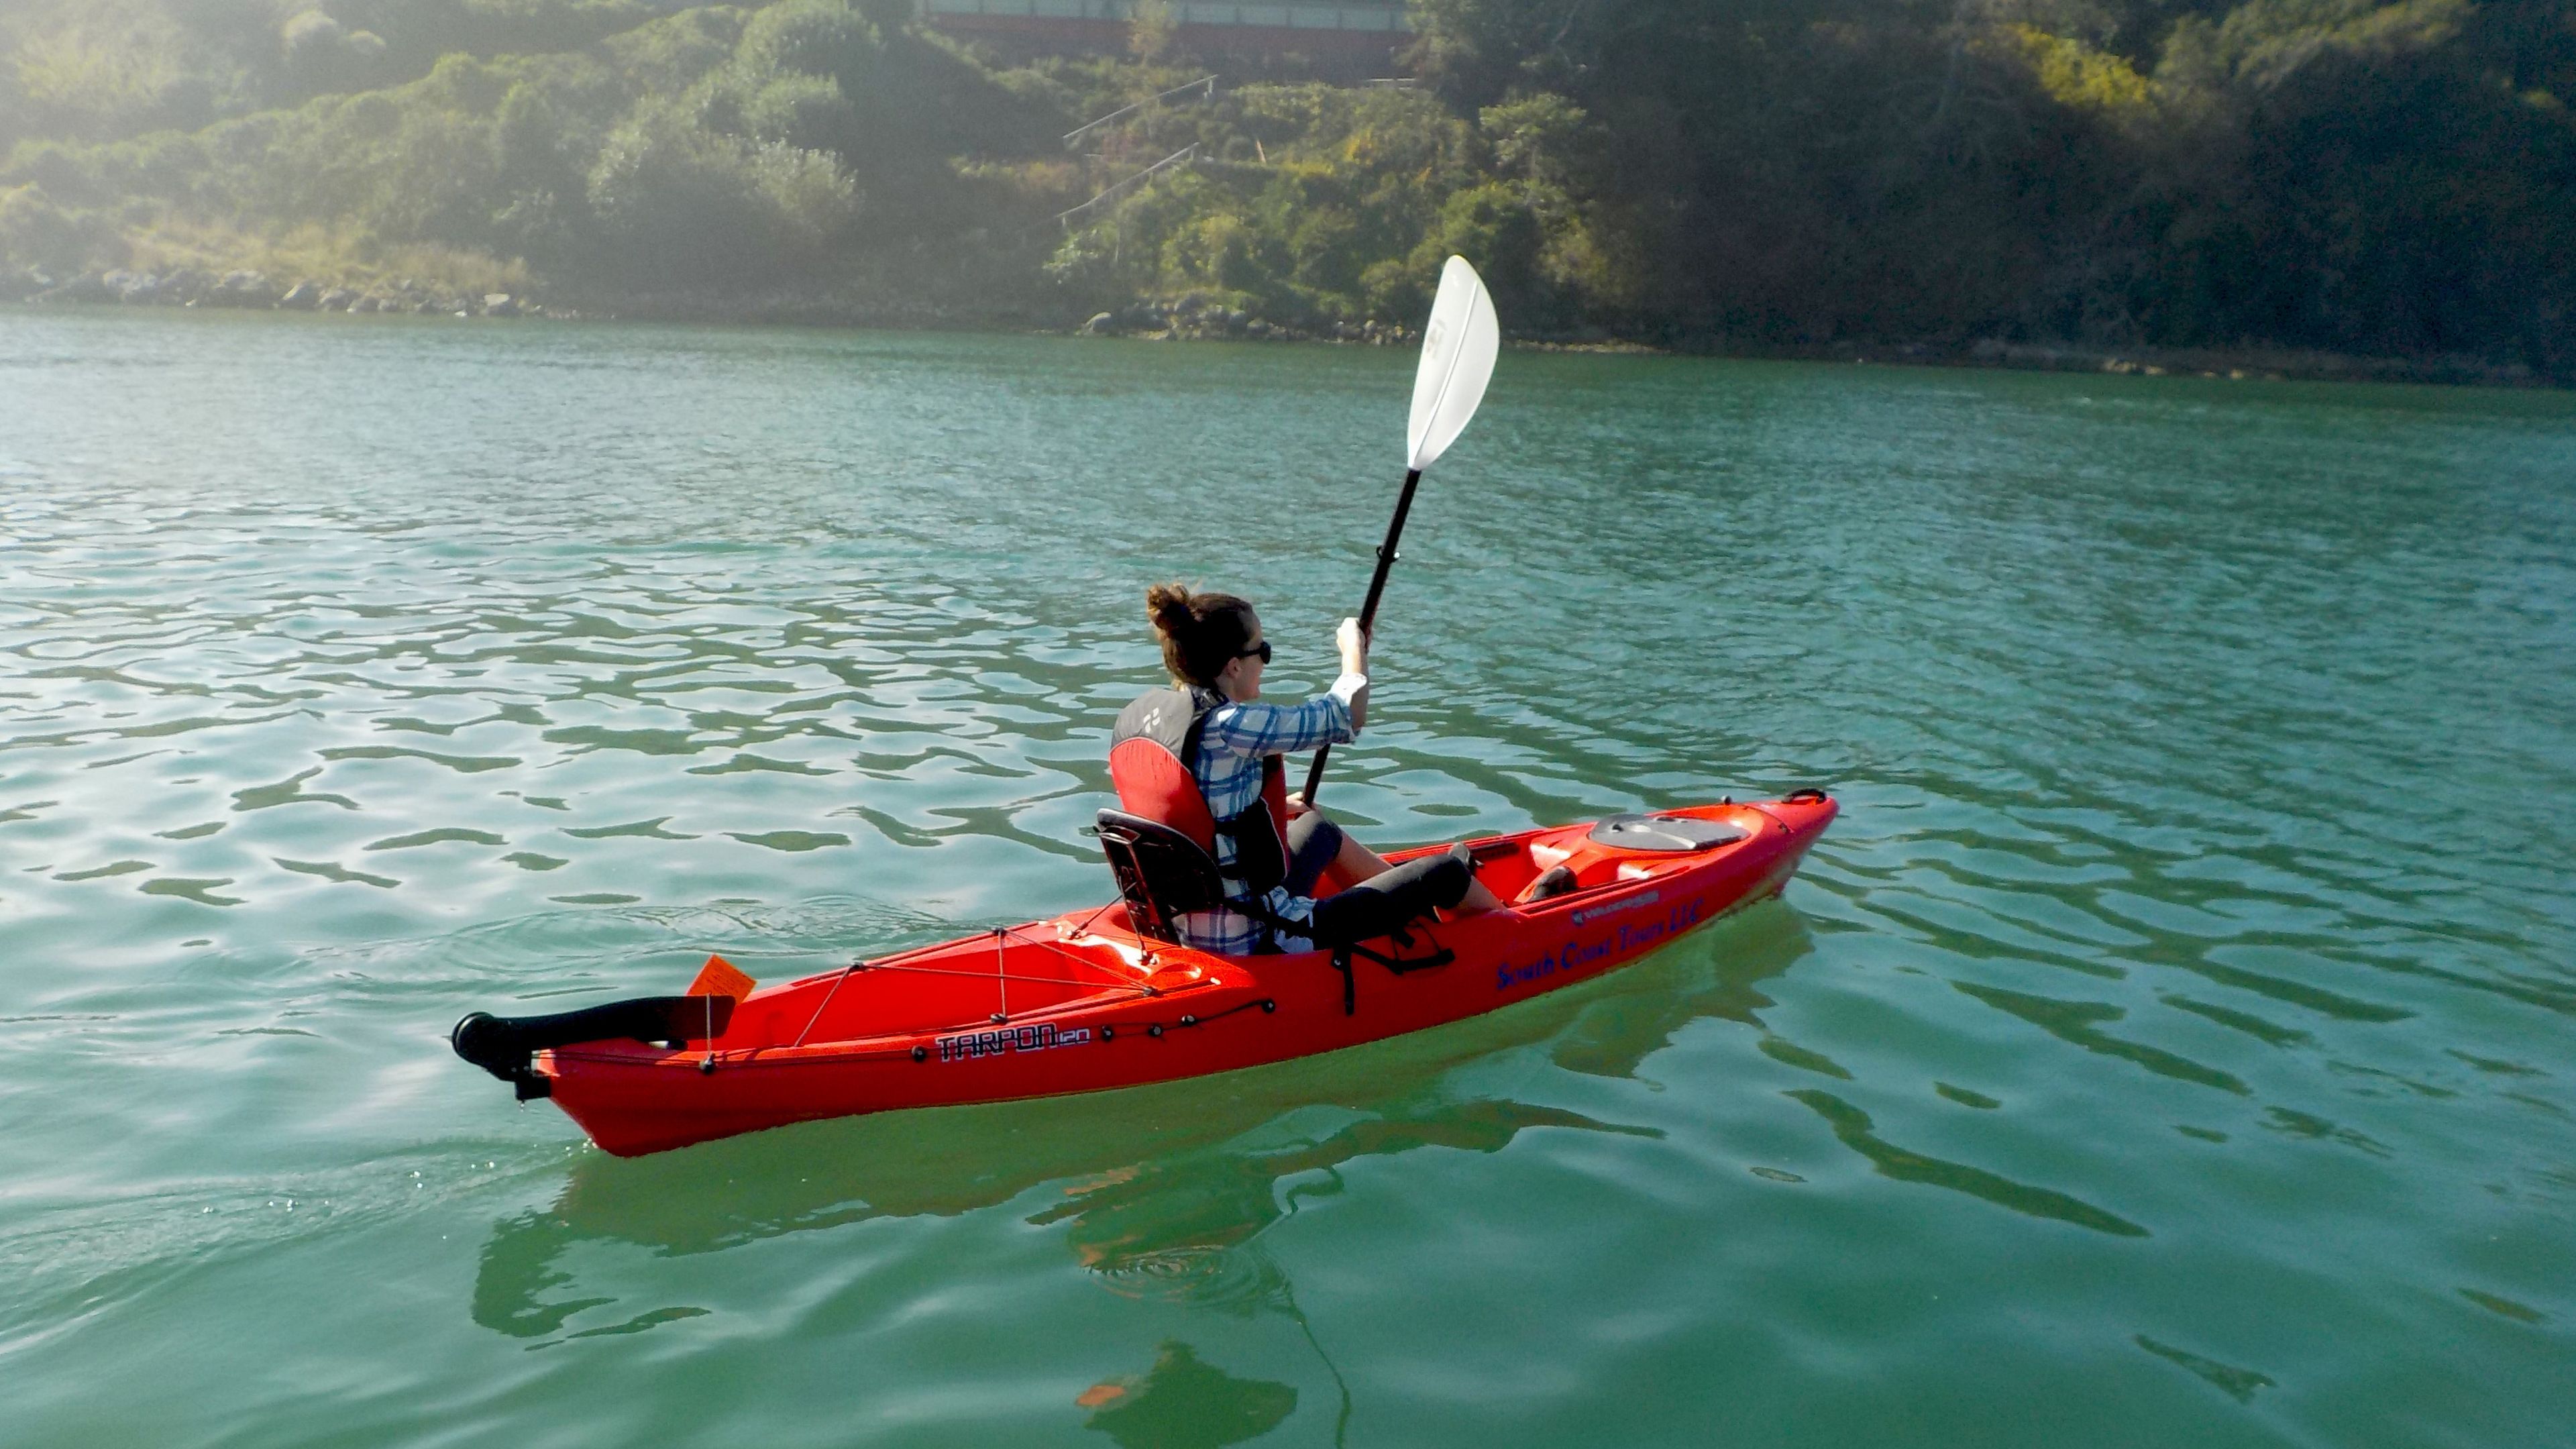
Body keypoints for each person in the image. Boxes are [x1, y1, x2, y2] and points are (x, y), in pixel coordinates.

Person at [1108, 582, 1502, 955]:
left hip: (1190, 926)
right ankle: (1509, 926)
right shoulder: (1230, 726)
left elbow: (1199, 818)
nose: (1265, 659)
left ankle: (1418, 911)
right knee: (1445, 872)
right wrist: (1354, 649)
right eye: (1261, 650)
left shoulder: (1163, 721)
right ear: (1233, 666)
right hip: (1260, 934)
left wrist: (1275, 811)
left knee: (1316, 828)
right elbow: (1349, 715)